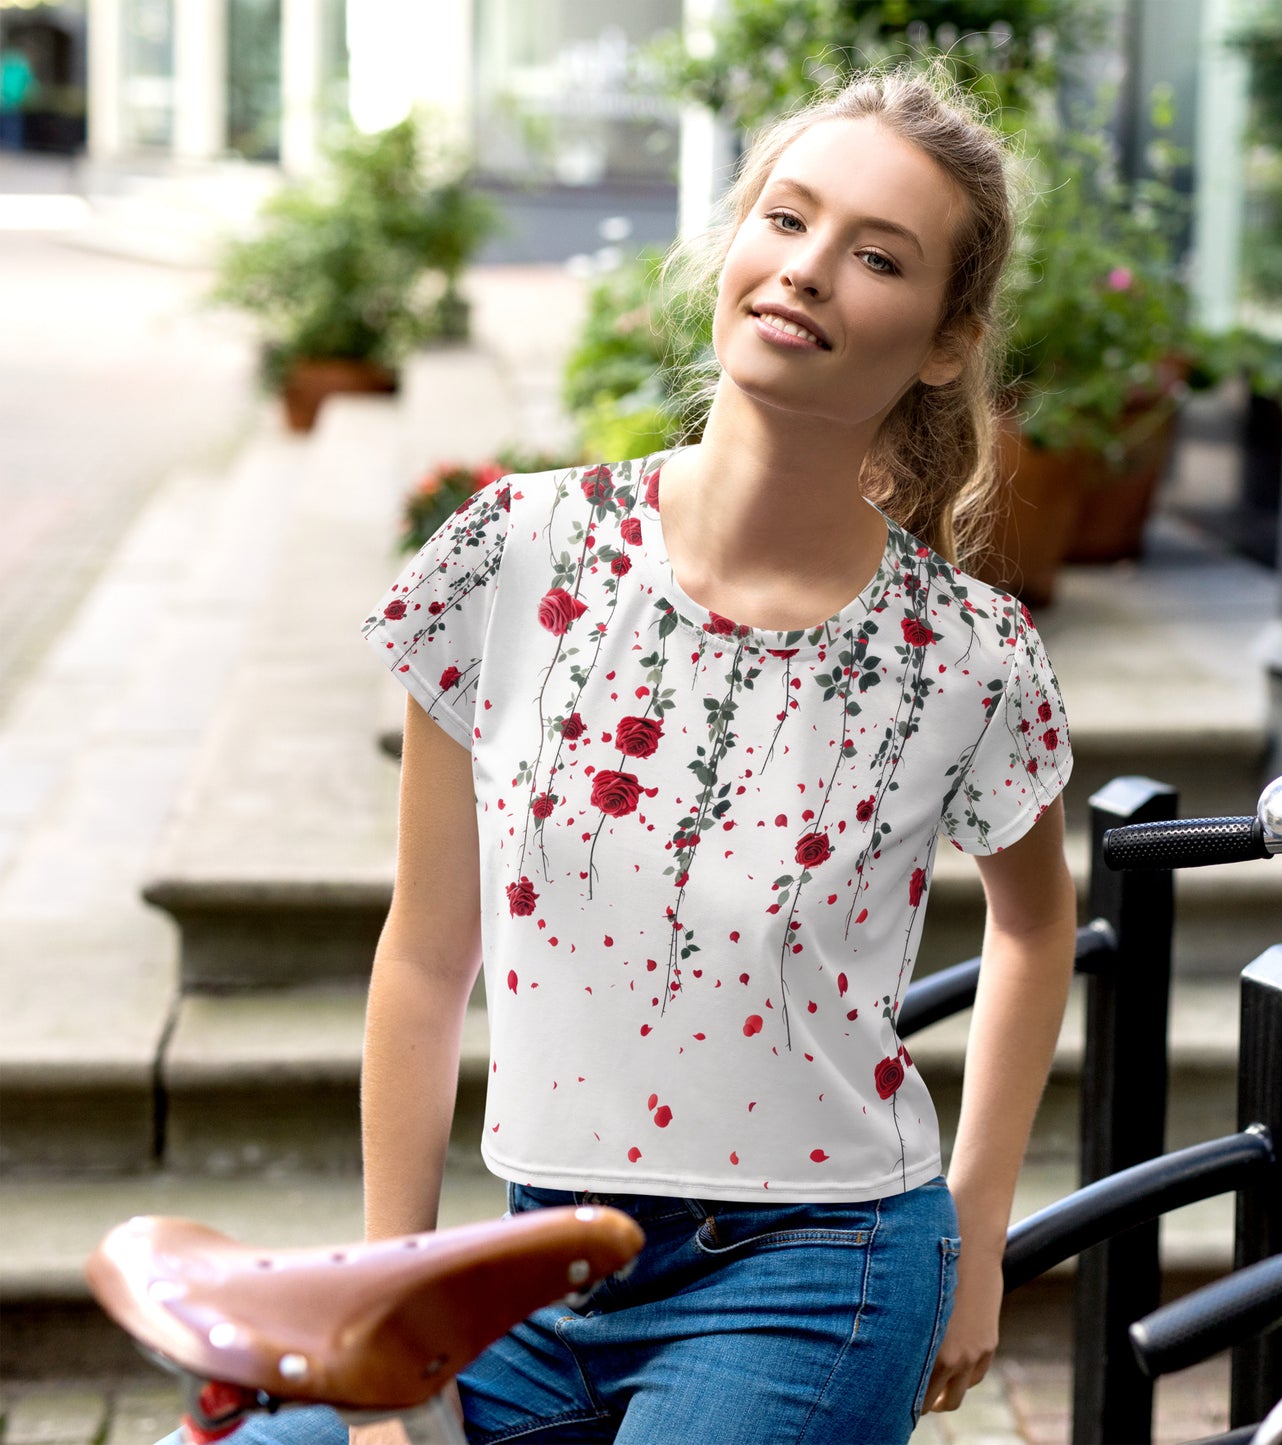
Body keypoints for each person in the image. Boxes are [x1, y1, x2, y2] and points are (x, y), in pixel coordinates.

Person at [203, 61, 1077, 1445]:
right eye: (786, 220)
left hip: (816, 1270)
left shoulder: (964, 655)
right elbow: (427, 958)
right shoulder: (510, 554)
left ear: (941, 342)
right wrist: (392, 1334)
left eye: (876, 256)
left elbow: (1037, 928)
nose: (807, 271)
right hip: (525, 1270)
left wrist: (976, 1233)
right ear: (734, 241)